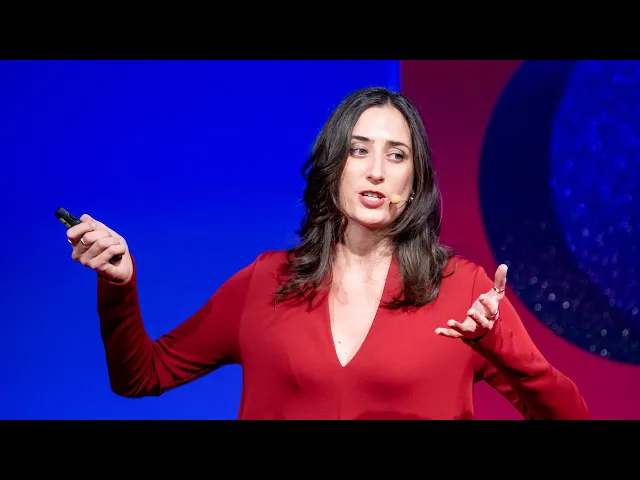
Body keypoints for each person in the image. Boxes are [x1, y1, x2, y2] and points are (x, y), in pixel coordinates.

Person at [66, 86, 589, 420]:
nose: (376, 171)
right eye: (359, 150)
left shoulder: (464, 291)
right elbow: (141, 376)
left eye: (397, 155)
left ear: (414, 183)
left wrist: (503, 347)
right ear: (334, 166)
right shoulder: (265, 281)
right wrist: (118, 284)